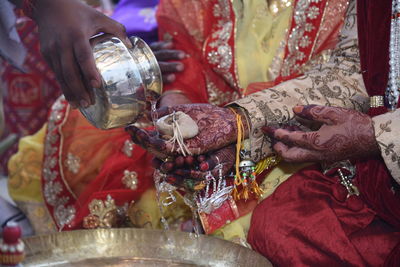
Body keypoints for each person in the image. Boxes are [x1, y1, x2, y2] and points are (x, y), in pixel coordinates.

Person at [9, 0, 360, 235]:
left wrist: (234, 129)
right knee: (83, 127)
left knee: (252, 227)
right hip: (205, 110)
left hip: (295, 135)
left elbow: (345, 81)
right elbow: (185, 52)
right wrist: (178, 100)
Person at [129, 0, 400, 265]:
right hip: (307, 134)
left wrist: (375, 133)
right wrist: (237, 122)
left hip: (344, 149)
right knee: (279, 225)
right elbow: (354, 70)